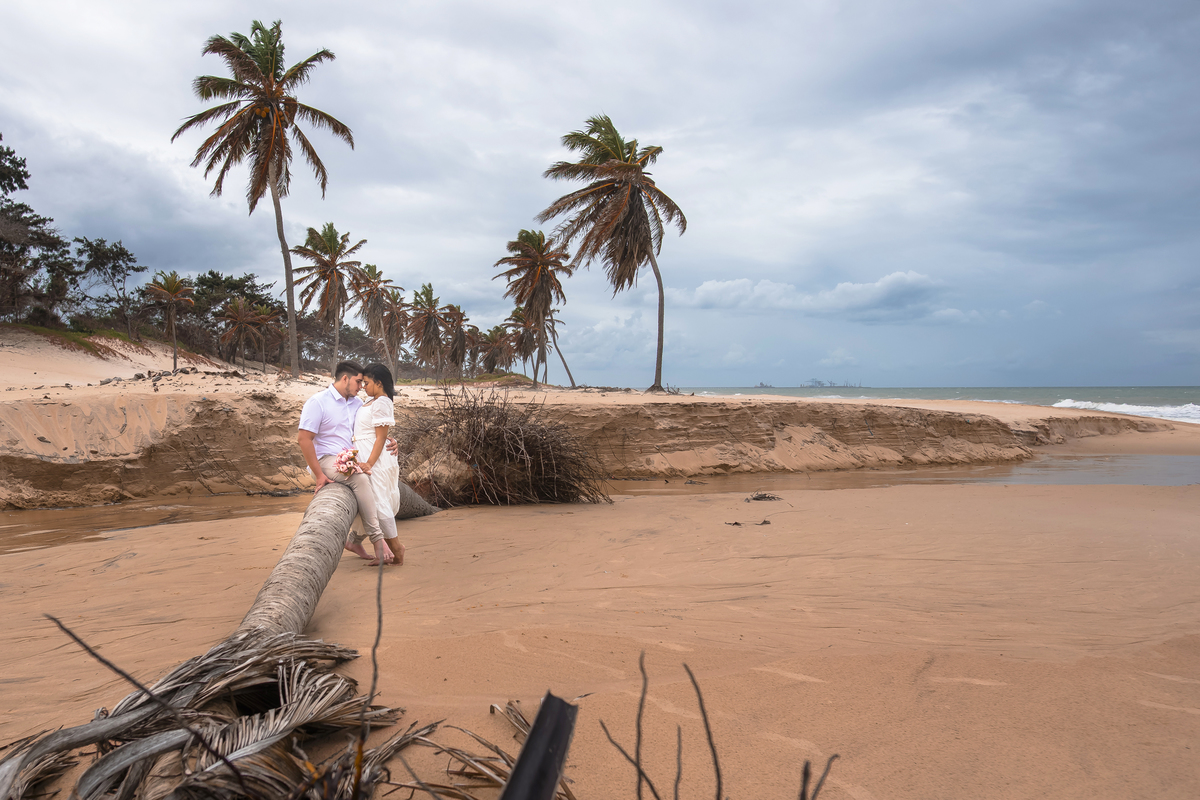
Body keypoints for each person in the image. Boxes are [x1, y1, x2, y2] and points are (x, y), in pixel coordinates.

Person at [297, 361, 393, 565]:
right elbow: (304, 439)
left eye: (364, 382)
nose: (362, 387)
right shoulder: (318, 402)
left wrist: (392, 441)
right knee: (360, 479)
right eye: (358, 382)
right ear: (345, 379)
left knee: (374, 483)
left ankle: (354, 541)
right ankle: (378, 540)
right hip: (325, 460)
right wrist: (319, 475)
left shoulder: (357, 403)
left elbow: (372, 430)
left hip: (353, 459)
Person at [354, 363, 405, 566]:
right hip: (367, 452)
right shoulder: (371, 400)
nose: (363, 386)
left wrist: (369, 463)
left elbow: (381, 437)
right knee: (372, 502)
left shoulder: (382, 402)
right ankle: (378, 548)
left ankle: (397, 550)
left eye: (367, 383)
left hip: (375, 459)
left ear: (379, 383)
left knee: (379, 501)